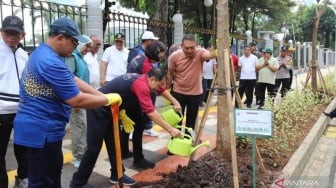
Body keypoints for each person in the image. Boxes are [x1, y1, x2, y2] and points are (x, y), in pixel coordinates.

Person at [13, 17, 122, 188]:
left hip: (42, 129)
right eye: (73, 42)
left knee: (52, 175)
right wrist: (106, 99)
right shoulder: (49, 61)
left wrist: (101, 94)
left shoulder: (43, 53)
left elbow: (73, 79)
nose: (75, 47)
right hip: (43, 131)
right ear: (60, 38)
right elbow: (76, 100)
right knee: (43, 182)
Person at [69, 68, 182, 188]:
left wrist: (176, 102)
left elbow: (162, 90)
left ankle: (117, 175)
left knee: (114, 144)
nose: (156, 90)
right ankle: (78, 182)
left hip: (112, 110)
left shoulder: (145, 79)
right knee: (93, 148)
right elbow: (151, 112)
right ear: (152, 79)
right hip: (98, 108)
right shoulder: (141, 85)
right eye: (157, 86)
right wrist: (170, 129)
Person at [123, 40, 181, 164]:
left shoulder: (140, 57)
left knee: (128, 125)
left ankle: (124, 151)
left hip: (129, 95)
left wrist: (173, 100)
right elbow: (159, 88)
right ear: (155, 52)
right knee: (139, 126)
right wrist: (170, 128)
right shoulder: (147, 66)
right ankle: (138, 159)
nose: (162, 57)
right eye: (161, 54)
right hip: (135, 97)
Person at [0, 15, 29, 188]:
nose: (11, 36)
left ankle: (22, 179)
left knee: (24, 149)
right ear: (1, 32)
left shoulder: (23, 54)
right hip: (1, 111)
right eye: (7, 32)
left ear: (22, 35)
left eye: (15, 33)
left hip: (22, 110)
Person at [167, 34, 216, 130]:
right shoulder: (174, 57)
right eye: (186, 48)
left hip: (195, 93)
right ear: (181, 46)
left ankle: (188, 141)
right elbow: (170, 74)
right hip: (178, 93)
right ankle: (176, 140)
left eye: (192, 48)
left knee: (191, 121)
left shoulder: (200, 52)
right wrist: (167, 91)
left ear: (196, 45)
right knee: (177, 120)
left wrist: (218, 50)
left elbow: (209, 55)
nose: (189, 50)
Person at [65, 35, 92, 168]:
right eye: (86, 45)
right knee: (79, 127)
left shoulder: (80, 57)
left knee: (83, 126)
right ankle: (78, 156)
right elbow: (69, 80)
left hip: (83, 98)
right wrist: (74, 100)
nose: (88, 49)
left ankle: (82, 153)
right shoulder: (73, 57)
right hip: (77, 99)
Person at [127, 30, 159, 137]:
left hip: (152, 84)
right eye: (153, 41)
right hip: (139, 85)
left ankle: (148, 127)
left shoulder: (153, 52)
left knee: (149, 106)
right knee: (136, 108)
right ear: (147, 41)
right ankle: (132, 129)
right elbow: (132, 68)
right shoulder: (137, 52)